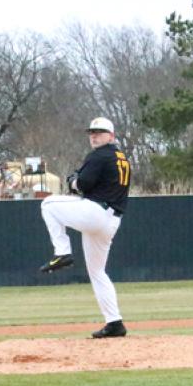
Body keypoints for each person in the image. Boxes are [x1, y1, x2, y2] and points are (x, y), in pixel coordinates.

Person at [39, 117, 130, 338]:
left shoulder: (100, 154)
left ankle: (62, 253)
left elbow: (82, 184)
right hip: (111, 220)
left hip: (96, 212)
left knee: (48, 204)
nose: (94, 135)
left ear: (111, 136)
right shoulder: (122, 158)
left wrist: (73, 180)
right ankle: (114, 322)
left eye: (99, 132)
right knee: (98, 272)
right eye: (92, 132)